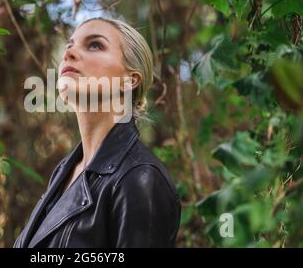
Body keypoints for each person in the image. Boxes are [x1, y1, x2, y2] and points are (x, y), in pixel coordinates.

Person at [13, 17, 180, 248]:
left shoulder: (140, 179)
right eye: (70, 44)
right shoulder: (65, 170)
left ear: (129, 80)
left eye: (95, 45)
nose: (68, 53)